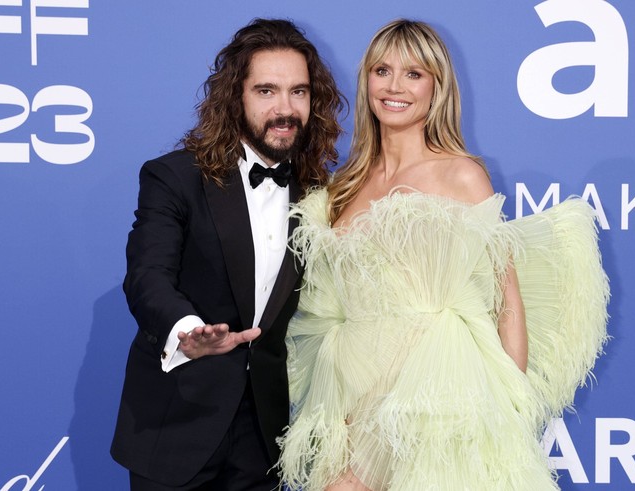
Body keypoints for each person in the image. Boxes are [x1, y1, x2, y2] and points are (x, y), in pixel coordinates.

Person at [277, 20, 609, 490]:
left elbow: (505, 299)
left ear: (437, 87)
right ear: (366, 79)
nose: (394, 87)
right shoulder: (342, 186)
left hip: (437, 402)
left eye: (414, 74)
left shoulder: (462, 176)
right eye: (382, 70)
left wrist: (509, 409)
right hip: (354, 400)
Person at [110, 18, 344, 490]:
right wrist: (188, 331)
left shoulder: (321, 195)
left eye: (299, 92)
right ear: (235, 96)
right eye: (266, 91)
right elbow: (147, 276)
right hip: (177, 423)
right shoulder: (174, 177)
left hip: (265, 437)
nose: (285, 109)